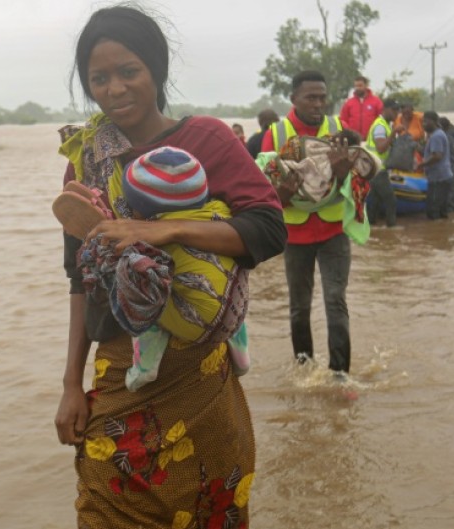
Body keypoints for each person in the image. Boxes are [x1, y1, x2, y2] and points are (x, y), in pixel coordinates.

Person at [54, 6, 287, 528]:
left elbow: (269, 228)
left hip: (199, 374)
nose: (115, 89)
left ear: (155, 69)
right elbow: (79, 278)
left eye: (128, 71)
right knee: (103, 508)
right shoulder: (86, 159)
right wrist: (71, 384)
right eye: (99, 79)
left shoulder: (206, 139)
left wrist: (168, 229)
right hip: (120, 373)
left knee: (207, 511)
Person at [54, 146, 252, 392]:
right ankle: (241, 357)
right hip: (234, 311)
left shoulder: (152, 238)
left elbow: (137, 281)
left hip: (196, 325)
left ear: (142, 210)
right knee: (225, 279)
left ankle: (145, 368)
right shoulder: (220, 215)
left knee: (145, 293)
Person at [260, 69, 370, 378]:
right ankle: (304, 370)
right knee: (299, 307)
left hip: (333, 231)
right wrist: (283, 193)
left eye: (322, 98)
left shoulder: (338, 129)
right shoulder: (276, 134)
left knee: (336, 301)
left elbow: (358, 181)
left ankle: (339, 375)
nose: (318, 104)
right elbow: (264, 188)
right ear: (293, 98)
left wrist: (343, 173)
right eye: (311, 98)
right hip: (295, 234)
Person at [365, 99, 403, 227]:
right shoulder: (380, 126)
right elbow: (381, 148)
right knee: (391, 200)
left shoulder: (386, 125)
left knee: (375, 201)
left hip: (375, 168)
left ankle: (371, 229)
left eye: (398, 110)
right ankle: (392, 229)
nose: (396, 113)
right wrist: (394, 133)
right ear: (385, 109)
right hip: (377, 169)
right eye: (394, 110)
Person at [415, 111, 454, 219]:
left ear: (435, 122)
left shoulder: (436, 136)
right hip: (442, 177)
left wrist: (421, 164)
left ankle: (437, 229)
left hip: (439, 179)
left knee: (433, 211)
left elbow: (437, 156)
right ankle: (443, 229)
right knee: (441, 211)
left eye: (426, 122)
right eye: (423, 122)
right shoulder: (437, 134)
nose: (424, 125)